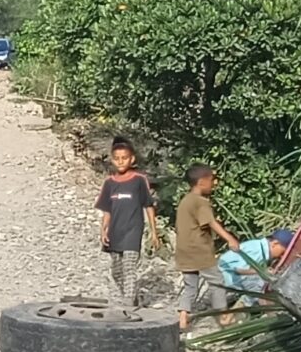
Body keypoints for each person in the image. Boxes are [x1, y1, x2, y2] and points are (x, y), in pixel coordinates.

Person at [172, 164, 243, 331]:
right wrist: (230, 238)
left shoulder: (185, 200)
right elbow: (211, 222)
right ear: (202, 182)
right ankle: (223, 316)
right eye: (212, 180)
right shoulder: (200, 202)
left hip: (184, 251)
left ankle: (182, 318)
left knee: (190, 285)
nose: (215, 183)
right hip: (199, 251)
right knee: (217, 282)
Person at [94, 139, 157, 307]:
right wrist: (103, 230)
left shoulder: (139, 180)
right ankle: (131, 297)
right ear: (112, 160)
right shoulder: (109, 183)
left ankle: (128, 304)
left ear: (132, 159)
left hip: (133, 230)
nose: (121, 161)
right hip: (115, 231)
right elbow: (107, 209)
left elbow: (148, 205)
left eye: (124, 158)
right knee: (116, 271)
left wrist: (153, 232)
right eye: (117, 158)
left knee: (129, 266)